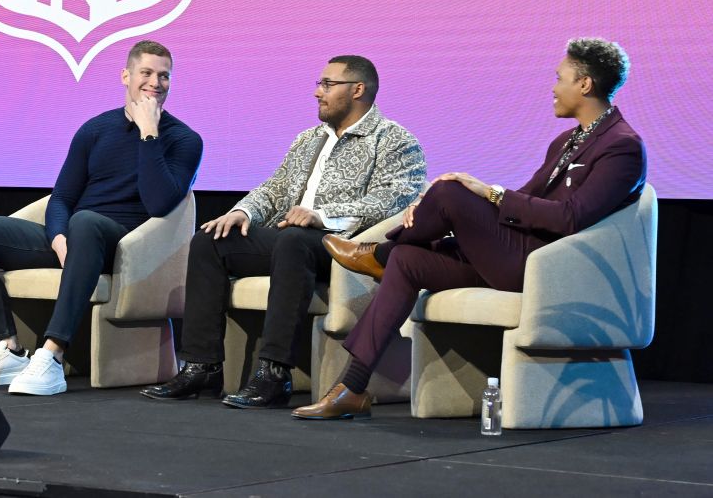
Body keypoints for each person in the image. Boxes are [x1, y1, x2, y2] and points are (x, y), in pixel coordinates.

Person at [296, 38, 646, 420]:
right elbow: (528, 198)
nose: (553, 86)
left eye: (559, 77)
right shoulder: (567, 140)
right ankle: (352, 387)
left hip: (545, 269)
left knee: (450, 190)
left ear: (585, 85)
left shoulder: (621, 146)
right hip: (510, 257)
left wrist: (487, 194)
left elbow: (570, 217)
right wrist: (460, 224)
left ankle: (379, 253)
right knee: (410, 258)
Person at [141, 56, 425, 408]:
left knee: (294, 241)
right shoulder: (308, 139)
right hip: (292, 238)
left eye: (327, 84)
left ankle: (274, 372)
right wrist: (241, 211)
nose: (317, 92)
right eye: (318, 84)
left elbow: (393, 199)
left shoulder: (394, 140)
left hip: (344, 246)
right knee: (211, 240)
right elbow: (274, 188)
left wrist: (321, 215)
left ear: (357, 90)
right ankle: (202, 366)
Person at [0, 40, 203, 396]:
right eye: (147, 73)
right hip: (75, 239)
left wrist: (150, 134)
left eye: (164, 76)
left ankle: (52, 355)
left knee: (86, 221)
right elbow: (62, 197)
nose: (155, 83)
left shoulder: (184, 140)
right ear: (126, 76)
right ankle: (8, 347)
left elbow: (160, 202)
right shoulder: (96, 129)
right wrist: (57, 238)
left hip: (127, 246)